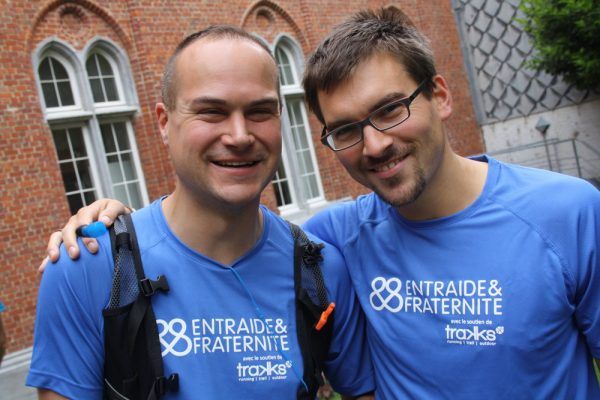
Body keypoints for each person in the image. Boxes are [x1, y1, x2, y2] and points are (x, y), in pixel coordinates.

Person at [44, 8, 600, 399]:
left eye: (391, 109)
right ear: (164, 123)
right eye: (347, 128)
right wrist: (109, 221)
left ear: (440, 94)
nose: (375, 145)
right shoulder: (336, 241)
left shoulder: (569, 213)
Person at [28, 25, 374, 400]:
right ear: (164, 122)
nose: (239, 136)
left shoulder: (321, 269)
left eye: (259, 111)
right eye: (211, 112)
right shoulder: (88, 268)